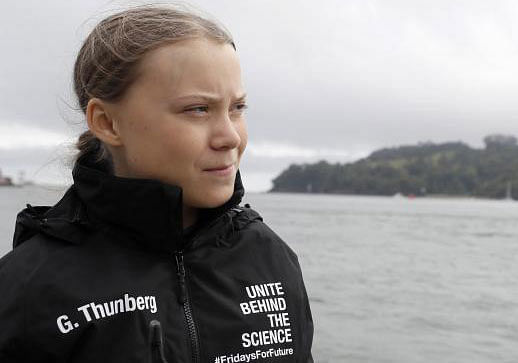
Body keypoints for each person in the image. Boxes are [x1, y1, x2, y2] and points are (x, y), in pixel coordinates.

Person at [0, 5, 314, 362]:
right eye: (198, 109)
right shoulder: (30, 290)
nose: (230, 137)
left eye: (237, 108)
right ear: (107, 123)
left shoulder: (270, 259)